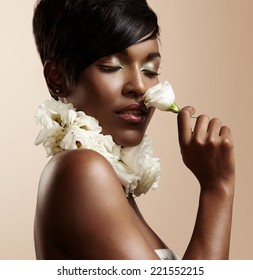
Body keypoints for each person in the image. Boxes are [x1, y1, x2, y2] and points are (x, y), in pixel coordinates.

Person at [32, 0, 235, 260]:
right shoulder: (81, 170)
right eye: (111, 66)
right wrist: (217, 189)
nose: (139, 86)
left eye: (151, 70)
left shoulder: (104, 179)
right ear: (57, 78)